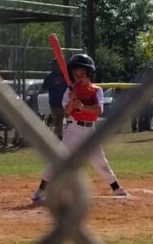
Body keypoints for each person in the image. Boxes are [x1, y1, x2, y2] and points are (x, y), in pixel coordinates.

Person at [31, 54, 128, 202]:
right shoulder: (69, 92)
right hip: (74, 131)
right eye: (76, 75)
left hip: (91, 131)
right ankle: (40, 190)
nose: (79, 77)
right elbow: (68, 111)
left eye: (82, 74)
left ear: (89, 73)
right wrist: (71, 100)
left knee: (100, 161)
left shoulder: (97, 91)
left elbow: (98, 109)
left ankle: (116, 188)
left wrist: (82, 106)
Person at [41, 60, 68, 139]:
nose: (53, 67)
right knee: (57, 121)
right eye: (53, 65)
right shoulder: (50, 76)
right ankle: (58, 137)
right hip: (55, 102)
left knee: (70, 121)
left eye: (54, 65)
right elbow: (44, 88)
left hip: (67, 102)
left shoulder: (66, 75)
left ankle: (66, 136)